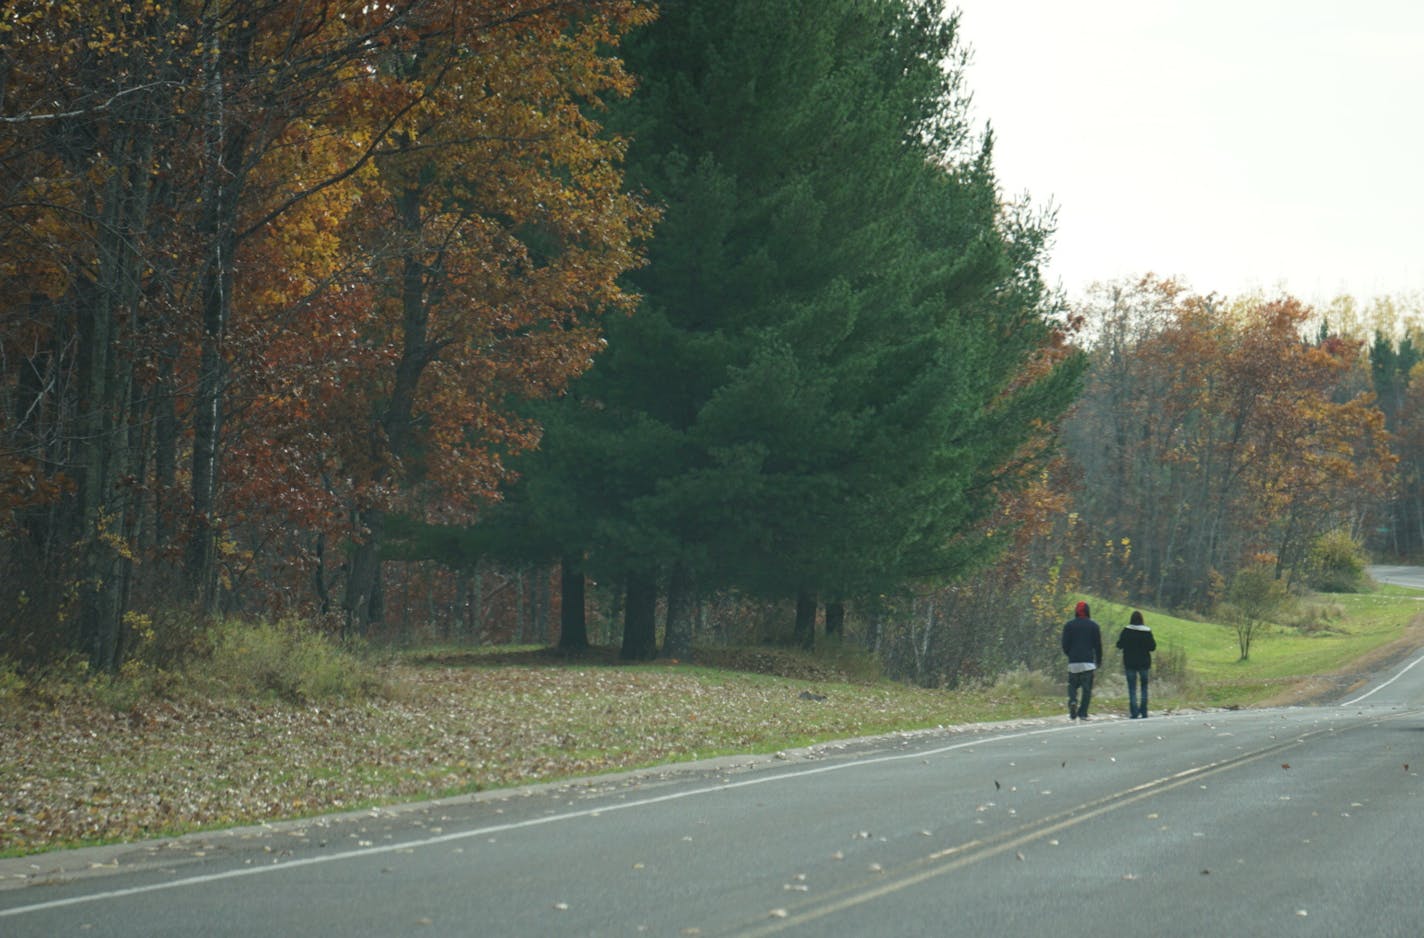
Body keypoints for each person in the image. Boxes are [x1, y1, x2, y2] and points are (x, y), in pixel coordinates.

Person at [1061, 601, 1102, 721]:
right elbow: (1098, 645)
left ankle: (1073, 701)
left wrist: (1070, 654)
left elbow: (1065, 644)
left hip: (1073, 662)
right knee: (1087, 688)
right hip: (1088, 663)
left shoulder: (1069, 625)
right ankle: (1083, 712)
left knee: (1072, 685)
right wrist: (1098, 660)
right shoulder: (1094, 626)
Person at [1116, 610, 1157, 718]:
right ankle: (1143, 711)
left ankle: (1134, 712)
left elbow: (1119, 644)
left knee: (1132, 688)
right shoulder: (1147, 631)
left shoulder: (1127, 630)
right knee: (1144, 687)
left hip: (1130, 662)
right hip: (1144, 663)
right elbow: (1152, 647)